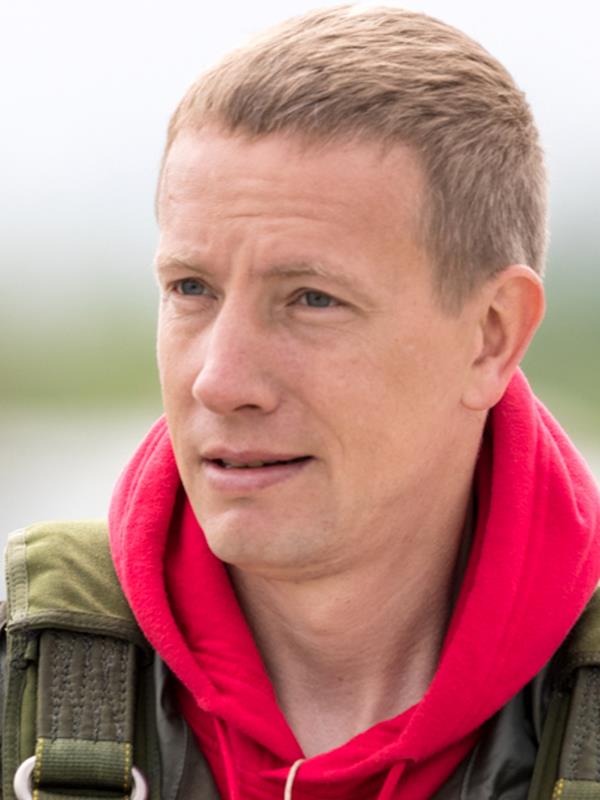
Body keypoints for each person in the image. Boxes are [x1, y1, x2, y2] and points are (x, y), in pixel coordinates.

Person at [3, 5, 600, 800]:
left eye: (312, 299)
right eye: (191, 288)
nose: (221, 381)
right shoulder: (17, 681)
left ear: (491, 336)